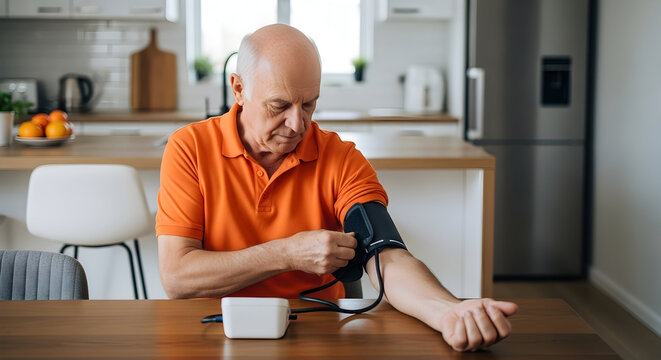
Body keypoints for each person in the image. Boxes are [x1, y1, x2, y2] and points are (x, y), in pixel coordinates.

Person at [156, 24, 517, 352]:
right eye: (279, 106)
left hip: (314, 334)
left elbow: (386, 255)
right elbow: (177, 277)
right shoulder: (189, 148)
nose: (297, 124)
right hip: (210, 333)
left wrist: (447, 312)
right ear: (238, 89)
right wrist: (287, 254)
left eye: (309, 104)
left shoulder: (340, 158)